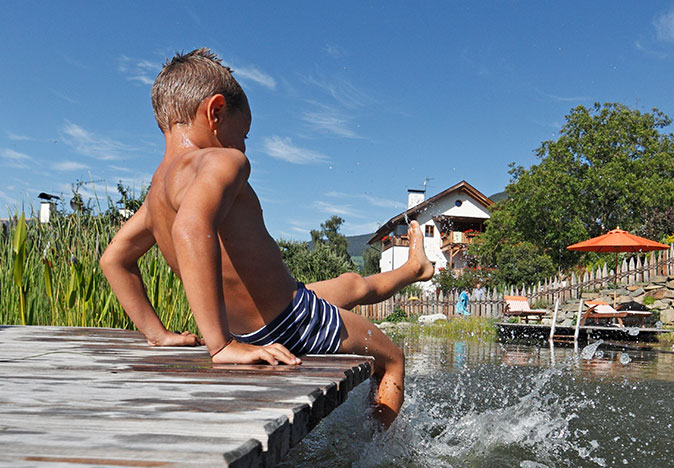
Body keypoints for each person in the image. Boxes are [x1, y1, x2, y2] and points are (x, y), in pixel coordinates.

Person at [100, 49, 434, 425]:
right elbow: (192, 229)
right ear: (215, 112)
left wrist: (157, 334)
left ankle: (414, 268)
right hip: (290, 321)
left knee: (351, 284)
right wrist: (221, 346)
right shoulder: (223, 160)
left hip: (273, 313)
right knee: (393, 360)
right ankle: (376, 463)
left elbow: (115, 259)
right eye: (242, 135)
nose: (242, 146)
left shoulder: (157, 195)